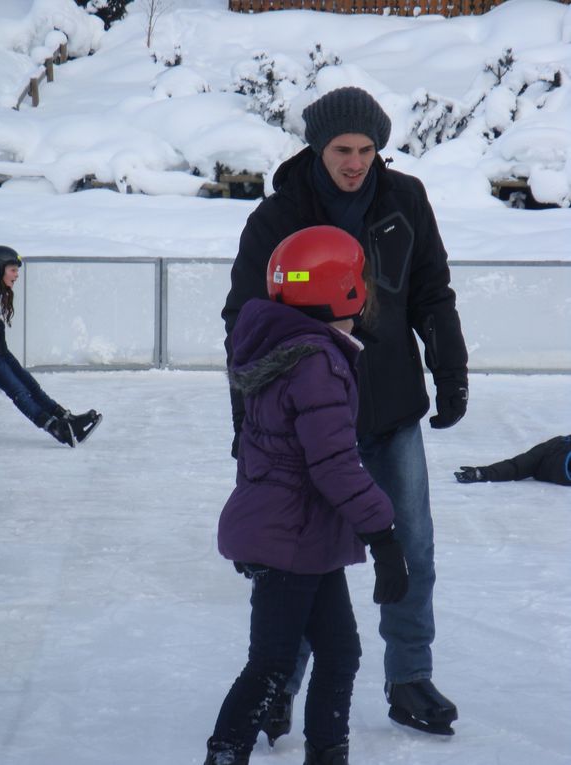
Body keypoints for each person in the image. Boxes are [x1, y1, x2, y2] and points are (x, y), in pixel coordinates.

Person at [221, 86, 468, 738]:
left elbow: (431, 293)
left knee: (411, 545)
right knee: (304, 555)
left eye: (367, 149)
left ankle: (410, 676)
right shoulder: (277, 217)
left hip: (389, 405)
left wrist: (451, 371)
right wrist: (245, 419)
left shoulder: (404, 200)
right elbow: (243, 321)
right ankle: (280, 686)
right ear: (316, 147)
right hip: (306, 413)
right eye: (342, 150)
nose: (356, 162)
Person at [206, 226, 408, 765]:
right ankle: (224, 755)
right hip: (289, 537)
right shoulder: (317, 362)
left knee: (340, 654)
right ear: (344, 289)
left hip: (299, 534)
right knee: (271, 662)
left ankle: (327, 754)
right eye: (360, 275)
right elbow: (335, 465)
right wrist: (384, 536)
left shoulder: (286, 345)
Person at [0, 245, 102, 446]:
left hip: (1, 352)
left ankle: (68, 420)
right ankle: (53, 427)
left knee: (31, 386)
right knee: (19, 392)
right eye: (13, 270)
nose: (17, 275)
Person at [455, 435, 571, 486]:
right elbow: (515, 466)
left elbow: (515, 466)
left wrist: (481, 473)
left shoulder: (545, 454)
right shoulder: (546, 455)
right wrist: (481, 473)